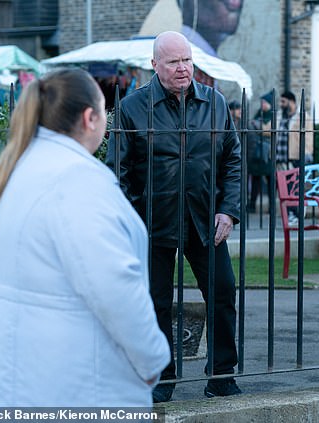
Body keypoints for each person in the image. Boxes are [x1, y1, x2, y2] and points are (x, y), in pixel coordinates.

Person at [0, 68, 169, 406]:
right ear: (90, 118)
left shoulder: (11, 171)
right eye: (104, 111)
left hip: (10, 378)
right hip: (71, 381)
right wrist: (152, 360)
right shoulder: (77, 181)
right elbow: (114, 288)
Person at [106, 31, 242, 403]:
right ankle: (161, 377)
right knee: (155, 301)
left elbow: (232, 160)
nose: (183, 69)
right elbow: (116, 171)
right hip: (152, 223)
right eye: (173, 62)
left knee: (223, 292)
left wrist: (228, 210)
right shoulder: (132, 108)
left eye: (186, 60)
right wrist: (134, 219)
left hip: (205, 220)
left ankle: (221, 374)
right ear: (154, 65)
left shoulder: (215, 103)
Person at [276, 91, 314, 225]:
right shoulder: (281, 116)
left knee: (295, 188)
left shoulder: (303, 117)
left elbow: (308, 138)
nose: (281, 104)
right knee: (284, 188)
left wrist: (306, 154)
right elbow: (269, 129)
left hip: (295, 158)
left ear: (291, 102)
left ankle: (296, 215)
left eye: (283, 102)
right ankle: (291, 214)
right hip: (280, 159)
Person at [247, 90, 274, 213]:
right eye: (261, 102)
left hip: (268, 153)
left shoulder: (273, 115)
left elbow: (270, 131)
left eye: (264, 102)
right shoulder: (259, 114)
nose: (262, 104)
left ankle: (271, 206)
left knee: (270, 180)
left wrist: (258, 127)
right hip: (256, 151)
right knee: (256, 179)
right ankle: (252, 205)